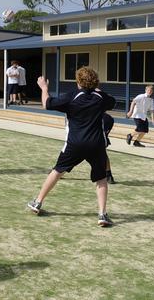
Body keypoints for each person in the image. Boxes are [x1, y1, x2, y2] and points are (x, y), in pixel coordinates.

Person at [27, 67, 116, 227]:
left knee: (57, 171)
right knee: (101, 178)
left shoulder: (72, 97)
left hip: (75, 143)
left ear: (78, 82)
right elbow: (112, 101)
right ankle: (102, 214)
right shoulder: (101, 98)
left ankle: (37, 202)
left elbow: (46, 104)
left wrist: (44, 88)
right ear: (95, 82)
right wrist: (96, 89)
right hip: (96, 144)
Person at [103, 113, 116, 184]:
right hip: (101, 140)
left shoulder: (89, 115)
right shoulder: (109, 118)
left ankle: (108, 175)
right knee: (103, 155)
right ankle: (109, 175)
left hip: (88, 140)